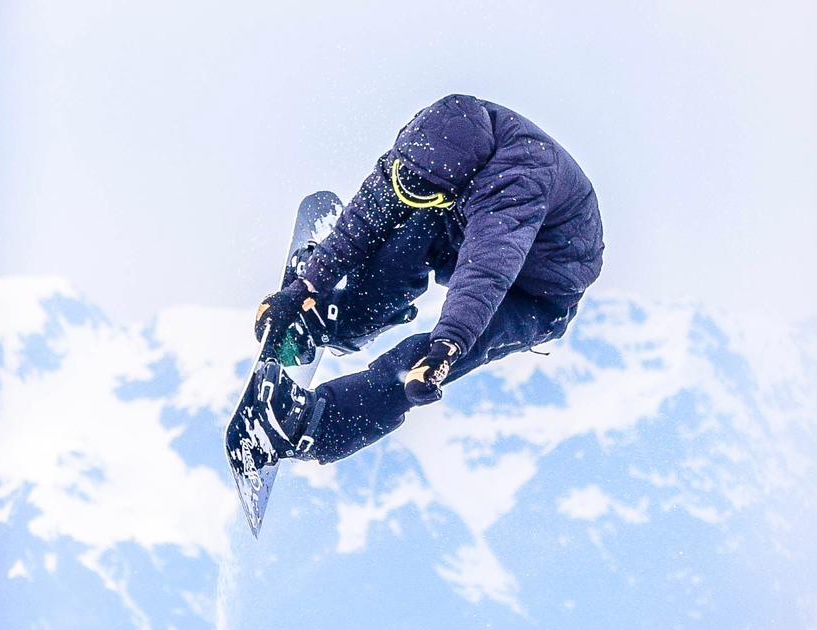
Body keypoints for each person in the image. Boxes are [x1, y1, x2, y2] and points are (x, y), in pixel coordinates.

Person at [237, 93, 604, 467]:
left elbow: (485, 273)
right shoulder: (426, 141)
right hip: (468, 225)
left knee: (419, 366)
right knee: (408, 228)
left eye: (428, 193)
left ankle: (314, 425)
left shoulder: (517, 181)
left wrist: (448, 346)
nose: (411, 192)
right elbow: (371, 212)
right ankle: (347, 317)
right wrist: (306, 288)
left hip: (536, 293)